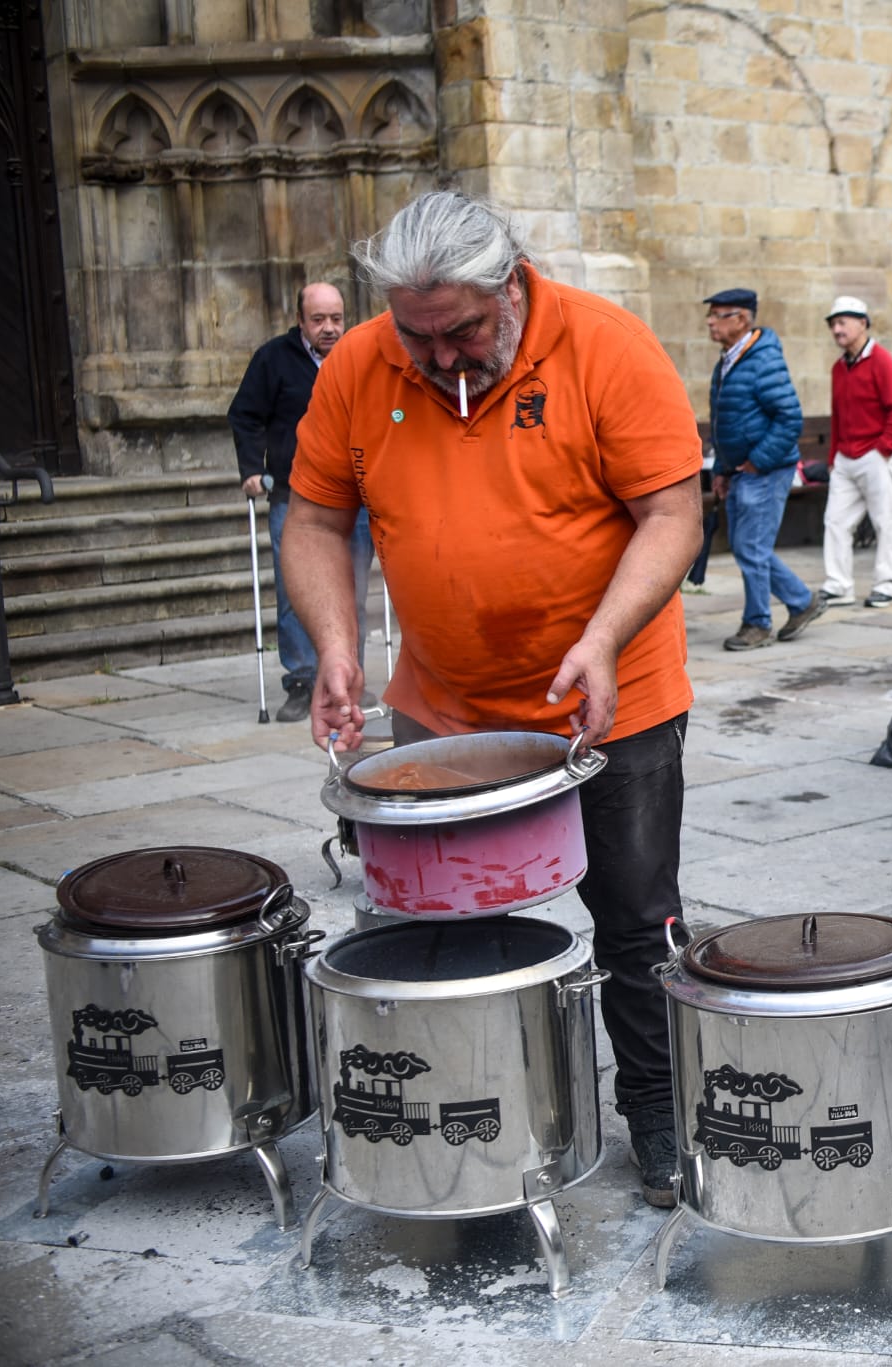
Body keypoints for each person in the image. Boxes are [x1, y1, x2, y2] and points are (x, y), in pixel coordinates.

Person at [281, 191, 704, 1209]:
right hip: (444, 702)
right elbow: (311, 519)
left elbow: (672, 513)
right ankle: (470, 1106)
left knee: (635, 916)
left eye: (463, 330)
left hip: (613, 699)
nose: (439, 358)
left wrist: (602, 639)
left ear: (511, 283)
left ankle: (654, 1109)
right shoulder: (358, 363)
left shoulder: (605, 347)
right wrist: (338, 648)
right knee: (439, 920)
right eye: (416, 336)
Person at [227, 281, 372, 723]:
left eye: (337, 319)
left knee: (353, 589)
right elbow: (245, 415)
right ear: (300, 321)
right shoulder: (273, 359)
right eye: (319, 320)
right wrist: (252, 469)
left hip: (358, 492)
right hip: (296, 493)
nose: (330, 328)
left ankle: (349, 676)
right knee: (296, 589)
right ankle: (303, 679)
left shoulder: (360, 357)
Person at [702, 288, 823, 650]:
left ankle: (757, 624)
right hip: (741, 469)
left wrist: (758, 462)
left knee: (751, 548)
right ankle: (802, 601)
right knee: (747, 547)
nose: (710, 321)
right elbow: (727, 421)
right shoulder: (729, 359)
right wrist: (722, 470)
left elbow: (789, 417)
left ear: (741, 319)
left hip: (765, 471)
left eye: (719, 314)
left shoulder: (762, 359)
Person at [820, 295, 892, 609]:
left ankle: (887, 583)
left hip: (876, 452)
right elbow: (837, 414)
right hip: (846, 455)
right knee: (835, 521)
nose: (836, 329)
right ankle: (838, 585)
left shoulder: (881, 360)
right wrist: (833, 456)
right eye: (833, 323)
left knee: (885, 521)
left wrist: (884, 447)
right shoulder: (838, 368)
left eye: (842, 322)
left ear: (863, 324)